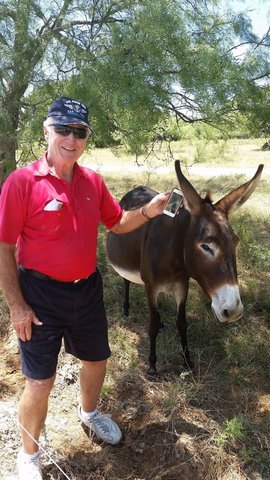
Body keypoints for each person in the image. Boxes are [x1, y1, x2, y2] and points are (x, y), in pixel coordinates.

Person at [0, 96, 169, 480]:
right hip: (39, 295)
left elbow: (116, 223)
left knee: (96, 360)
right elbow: (4, 246)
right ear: (47, 130)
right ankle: (28, 455)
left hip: (86, 290)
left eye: (80, 132)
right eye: (63, 129)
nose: (71, 139)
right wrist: (17, 305)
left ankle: (89, 414)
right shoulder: (22, 182)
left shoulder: (92, 181)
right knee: (40, 380)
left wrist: (147, 211)